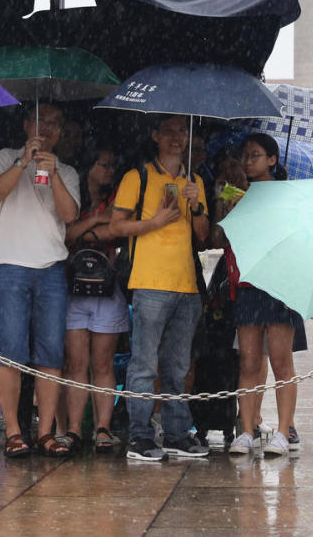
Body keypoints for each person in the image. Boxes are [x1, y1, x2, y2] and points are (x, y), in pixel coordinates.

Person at [109, 114, 210, 462]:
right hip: (149, 282)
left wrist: (196, 205)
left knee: (178, 366)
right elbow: (115, 227)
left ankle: (177, 433)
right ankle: (139, 435)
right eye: (168, 130)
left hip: (186, 284)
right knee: (144, 364)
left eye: (182, 131)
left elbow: (202, 235)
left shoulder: (193, 179)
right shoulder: (137, 177)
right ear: (154, 135)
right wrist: (153, 223)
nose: (176, 137)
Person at [0, 103, 80, 458]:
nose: (49, 129)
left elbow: (69, 215)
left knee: (51, 352)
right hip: (9, 264)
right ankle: (12, 431)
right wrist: (23, 161)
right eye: (43, 122)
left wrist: (52, 174)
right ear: (27, 125)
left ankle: (45, 432)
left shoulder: (66, 170)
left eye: (56, 124)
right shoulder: (5, 157)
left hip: (51, 266)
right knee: (10, 351)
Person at [213, 134, 306, 458]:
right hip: (248, 285)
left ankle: (284, 430)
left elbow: (292, 237)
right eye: (245, 156)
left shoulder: (287, 195)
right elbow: (219, 236)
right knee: (249, 360)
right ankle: (248, 430)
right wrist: (229, 209)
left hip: (280, 285)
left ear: (272, 159)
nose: (248, 161)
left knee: (281, 360)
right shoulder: (236, 193)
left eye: (255, 155)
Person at [63, 146, 128, 454]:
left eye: (113, 165)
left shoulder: (117, 196)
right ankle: (75, 429)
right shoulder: (71, 196)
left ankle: (103, 427)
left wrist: (89, 228)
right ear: (89, 166)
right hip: (73, 290)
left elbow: (114, 232)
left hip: (107, 288)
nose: (110, 171)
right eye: (104, 164)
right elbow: (66, 232)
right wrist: (96, 222)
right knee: (77, 364)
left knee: (103, 364)